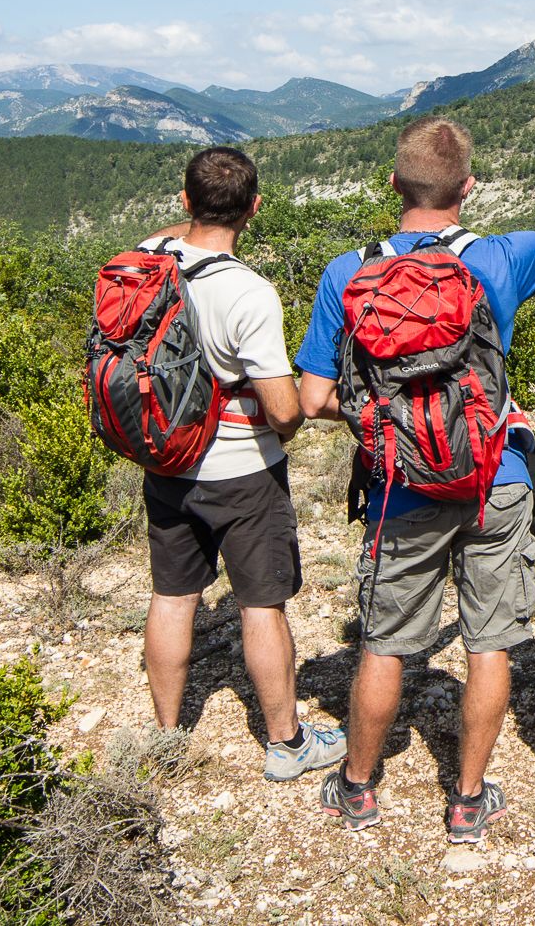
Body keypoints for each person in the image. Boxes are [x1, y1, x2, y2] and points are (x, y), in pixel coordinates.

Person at [297, 117, 535, 843]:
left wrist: (385, 415)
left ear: (394, 183)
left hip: (401, 485)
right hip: (498, 473)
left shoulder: (347, 272)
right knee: (488, 642)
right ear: (468, 188)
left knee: (383, 641)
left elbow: (310, 399)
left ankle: (358, 787)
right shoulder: (500, 258)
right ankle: (468, 799)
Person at [138, 146, 343, 781]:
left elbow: (178, 233)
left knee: (173, 596)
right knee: (261, 605)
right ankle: (286, 743)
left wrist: (193, 217)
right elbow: (284, 412)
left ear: (184, 202)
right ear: (254, 209)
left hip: (166, 460)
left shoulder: (148, 261)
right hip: (241, 470)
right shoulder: (249, 292)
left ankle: (167, 736)